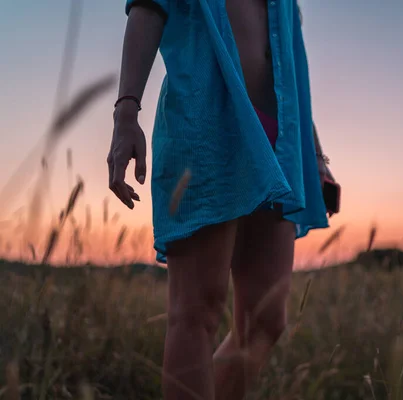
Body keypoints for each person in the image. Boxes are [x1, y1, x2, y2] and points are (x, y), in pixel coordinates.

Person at [106, 0, 338, 399]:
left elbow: (289, 64)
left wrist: (315, 157)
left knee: (266, 319)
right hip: (205, 128)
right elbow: (148, 8)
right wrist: (126, 113)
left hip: (279, 146)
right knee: (196, 311)